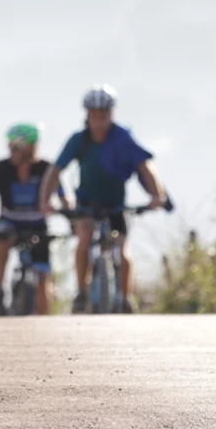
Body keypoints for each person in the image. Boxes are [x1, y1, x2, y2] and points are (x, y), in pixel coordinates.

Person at [39, 84, 167, 314]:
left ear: (111, 114)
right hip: (86, 204)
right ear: (87, 115)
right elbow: (55, 170)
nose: (99, 120)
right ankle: (81, 292)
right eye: (94, 115)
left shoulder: (122, 137)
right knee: (84, 239)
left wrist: (157, 195)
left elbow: (144, 166)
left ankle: (126, 298)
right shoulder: (79, 140)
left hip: (116, 205)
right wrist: (45, 201)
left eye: (104, 115)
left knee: (122, 249)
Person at [0, 123, 65, 316]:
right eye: (10, 145)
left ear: (32, 146)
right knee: (2, 240)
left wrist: (69, 212)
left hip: (37, 225)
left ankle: (45, 320)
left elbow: (64, 198)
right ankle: (0, 289)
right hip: (10, 221)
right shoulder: (1, 168)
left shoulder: (46, 168)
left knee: (43, 277)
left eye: (18, 146)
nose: (12, 150)